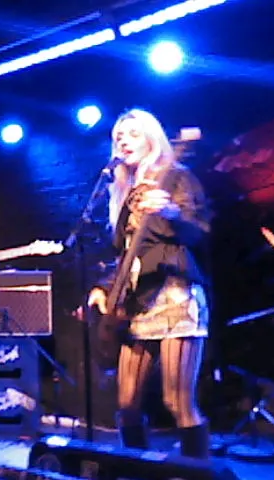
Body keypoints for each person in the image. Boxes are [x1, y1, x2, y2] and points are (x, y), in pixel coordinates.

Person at [87, 108, 211, 459]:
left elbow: (199, 231)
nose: (123, 141)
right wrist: (104, 287)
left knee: (177, 400)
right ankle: (137, 468)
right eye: (118, 137)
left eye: (133, 134)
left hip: (175, 296)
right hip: (138, 302)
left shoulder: (177, 177)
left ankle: (197, 473)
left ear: (152, 139)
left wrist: (171, 212)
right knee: (127, 404)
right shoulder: (124, 192)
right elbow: (127, 254)